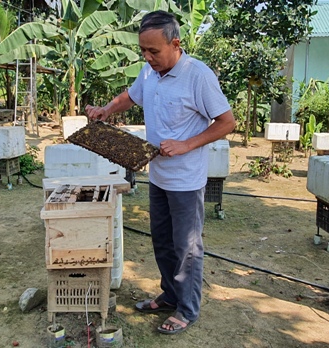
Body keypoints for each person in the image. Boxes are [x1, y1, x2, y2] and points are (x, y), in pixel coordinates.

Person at [85, 11, 235, 335]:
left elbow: (227, 122)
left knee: (187, 248)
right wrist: (106, 110)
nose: (148, 57)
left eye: (154, 51)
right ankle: (170, 294)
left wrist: (186, 144)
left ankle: (187, 309)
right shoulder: (149, 72)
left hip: (185, 181)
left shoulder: (198, 76)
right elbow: (131, 96)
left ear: (175, 43)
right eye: (143, 51)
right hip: (158, 176)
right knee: (163, 243)